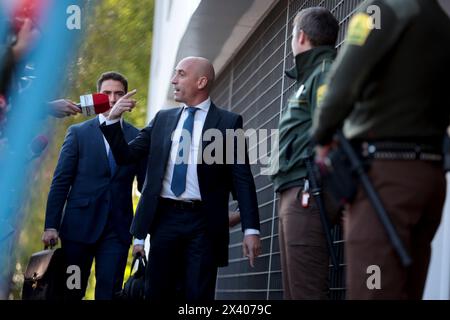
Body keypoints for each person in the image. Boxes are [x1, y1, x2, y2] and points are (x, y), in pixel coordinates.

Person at [312, 0, 450, 299]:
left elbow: (340, 85)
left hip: (384, 177)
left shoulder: (380, 9)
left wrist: (322, 135)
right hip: (430, 175)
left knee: (372, 290)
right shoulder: (440, 18)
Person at [100, 56, 261, 301]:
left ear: (201, 81)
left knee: (197, 294)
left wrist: (251, 229)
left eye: (181, 74)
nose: (174, 80)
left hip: (204, 224)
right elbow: (127, 155)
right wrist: (112, 120)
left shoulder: (228, 123)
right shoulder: (163, 120)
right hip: (164, 219)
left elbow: (242, 178)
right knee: (158, 292)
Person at [42, 71, 146, 300]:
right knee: (71, 291)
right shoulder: (78, 133)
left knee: (109, 294)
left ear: (126, 99)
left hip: (116, 233)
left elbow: (145, 188)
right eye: (106, 93)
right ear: (96, 97)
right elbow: (61, 182)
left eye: (118, 94)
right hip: (77, 232)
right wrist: (51, 225)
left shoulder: (138, 137)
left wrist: (140, 237)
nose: (112, 99)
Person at [268, 7, 339, 300]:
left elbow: (330, 127)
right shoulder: (311, 77)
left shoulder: (323, 74)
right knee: (296, 291)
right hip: (296, 191)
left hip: (307, 190)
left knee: (306, 292)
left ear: (301, 37)